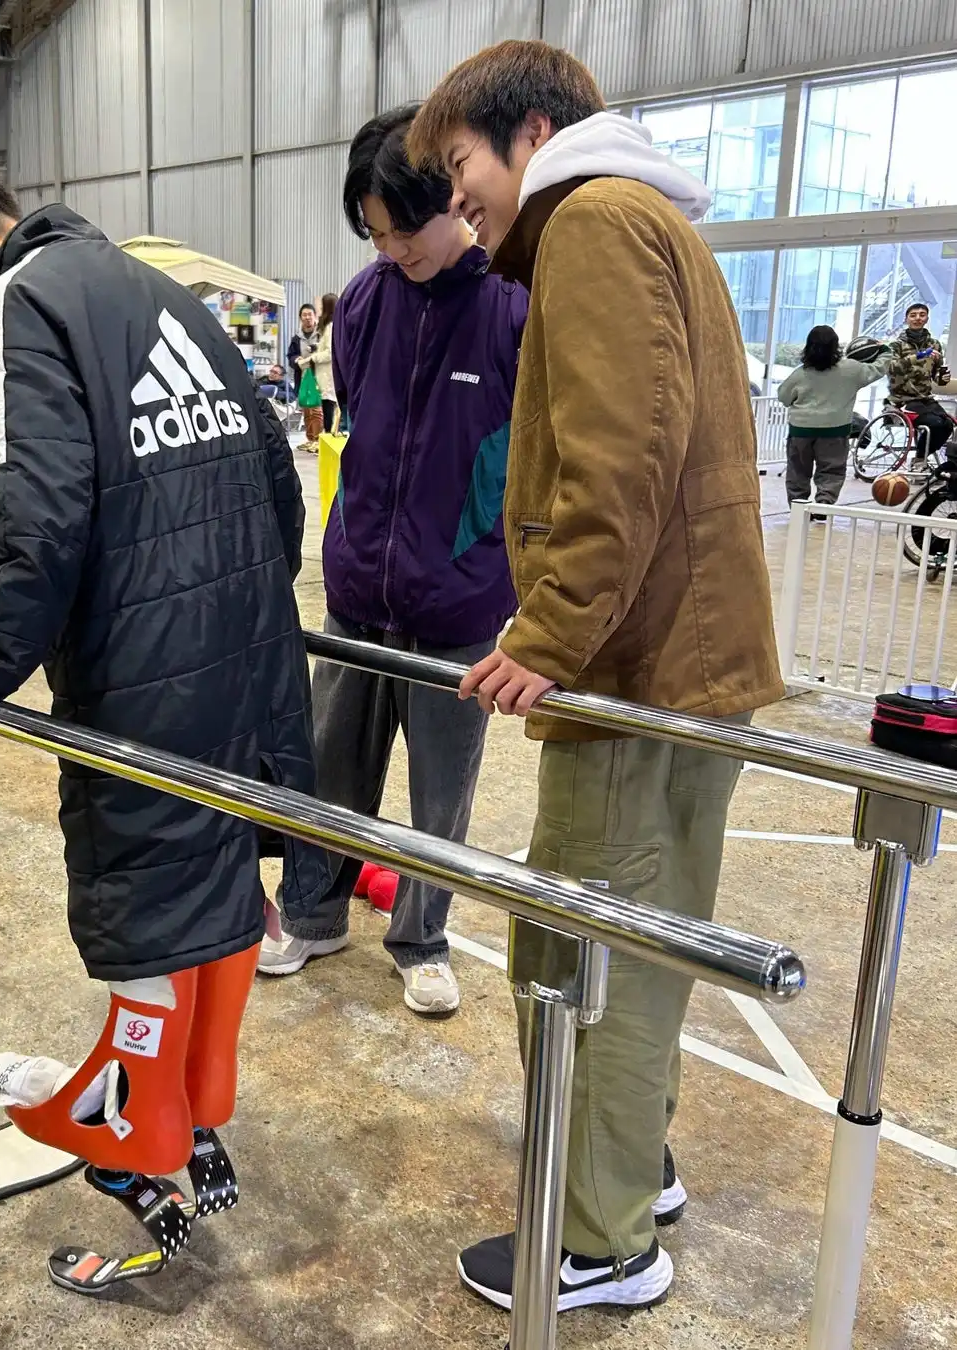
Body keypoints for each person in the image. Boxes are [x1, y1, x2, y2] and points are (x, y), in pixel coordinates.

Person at [0, 152, 326, 1285]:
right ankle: (198, 1096)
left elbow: (40, 506)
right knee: (217, 873)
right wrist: (248, 606)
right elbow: (277, 465)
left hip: (149, 669)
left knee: (142, 887)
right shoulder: (153, 282)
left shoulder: (21, 299)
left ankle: (137, 1128)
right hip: (250, 643)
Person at [409, 39, 784, 1314]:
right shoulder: (640, 218)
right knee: (643, 932)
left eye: (461, 171)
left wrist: (547, 634)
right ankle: (635, 1167)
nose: (460, 205)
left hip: (637, 669)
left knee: (580, 950)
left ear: (528, 133)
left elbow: (623, 457)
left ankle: (599, 1240)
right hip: (683, 660)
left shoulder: (593, 221)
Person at [259, 104, 528, 1018]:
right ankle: (313, 909)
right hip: (358, 594)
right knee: (331, 767)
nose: (392, 248)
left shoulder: (509, 307)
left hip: (457, 607)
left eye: (405, 228)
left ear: (455, 200)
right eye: (374, 232)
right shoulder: (369, 299)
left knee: (438, 795)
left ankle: (421, 938)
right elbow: (362, 432)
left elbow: (527, 462)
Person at [777, 327, 891, 507]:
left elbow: (783, 397)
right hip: (835, 431)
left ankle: (798, 506)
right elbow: (878, 369)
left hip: (801, 430)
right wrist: (884, 351)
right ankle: (824, 503)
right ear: (836, 346)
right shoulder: (851, 369)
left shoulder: (800, 373)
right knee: (831, 470)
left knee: (798, 471)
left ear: (809, 346)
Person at [887, 301, 953, 459]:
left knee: (948, 425)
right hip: (902, 400)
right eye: (913, 315)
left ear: (927, 319)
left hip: (926, 399)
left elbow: (936, 375)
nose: (917, 318)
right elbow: (891, 368)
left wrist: (943, 378)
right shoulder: (896, 345)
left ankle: (920, 457)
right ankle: (919, 460)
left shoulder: (934, 344)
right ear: (906, 319)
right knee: (935, 424)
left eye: (922, 315)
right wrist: (917, 356)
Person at [296, 293, 339, 434]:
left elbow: (330, 353)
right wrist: (317, 347)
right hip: (321, 376)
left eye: (321, 306)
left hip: (327, 376)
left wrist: (311, 358)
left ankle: (326, 440)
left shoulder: (331, 326)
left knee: (326, 411)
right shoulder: (329, 326)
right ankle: (319, 439)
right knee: (319, 409)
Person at [287, 302, 318, 397]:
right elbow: (290, 356)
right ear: (300, 318)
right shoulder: (296, 338)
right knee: (305, 409)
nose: (307, 317)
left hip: (321, 379)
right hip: (302, 379)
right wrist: (296, 359)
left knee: (321, 409)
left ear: (315, 316)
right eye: (304, 315)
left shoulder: (322, 334)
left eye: (310, 314)